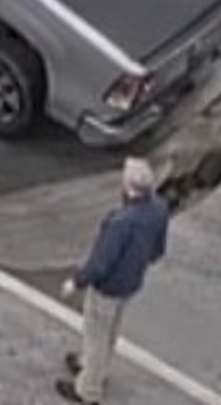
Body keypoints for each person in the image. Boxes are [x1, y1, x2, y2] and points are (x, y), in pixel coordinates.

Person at [56, 157, 170, 404]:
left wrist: (76, 281)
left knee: (96, 336)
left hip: (108, 287)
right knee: (110, 332)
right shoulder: (159, 209)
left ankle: (88, 389)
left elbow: (100, 262)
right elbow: (158, 250)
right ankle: (96, 369)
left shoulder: (122, 223)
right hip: (130, 283)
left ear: (128, 187)